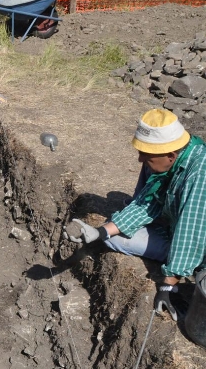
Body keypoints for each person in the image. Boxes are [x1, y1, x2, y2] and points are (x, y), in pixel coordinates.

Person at [66, 109, 206, 321]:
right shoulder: (173, 159)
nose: (140, 158)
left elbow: (191, 232)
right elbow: (146, 203)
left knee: (182, 245)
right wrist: (100, 232)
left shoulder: (199, 175)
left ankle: (191, 266)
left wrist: (168, 285)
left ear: (171, 155)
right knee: (113, 238)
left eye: (147, 156)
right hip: (174, 225)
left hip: (199, 242)